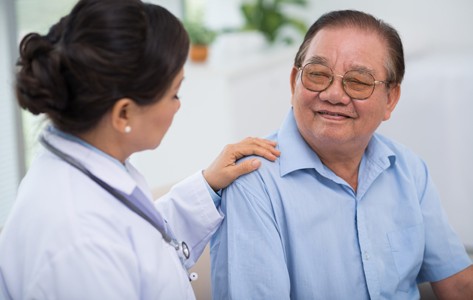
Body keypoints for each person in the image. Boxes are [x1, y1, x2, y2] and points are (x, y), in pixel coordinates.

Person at [0, 0, 281, 299]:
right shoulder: (78, 241)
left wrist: (208, 183)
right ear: (124, 114)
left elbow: (141, 239)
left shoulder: (83, 164)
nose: (179, 105)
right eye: (174, 93)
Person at [211, 9, 473, 299]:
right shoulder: (252, 183)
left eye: (359, 82)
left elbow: (458, 285)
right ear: (293, 82)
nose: (334, 94)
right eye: (318, 74)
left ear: (391, 99)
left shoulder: (408, 169)